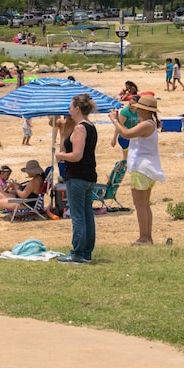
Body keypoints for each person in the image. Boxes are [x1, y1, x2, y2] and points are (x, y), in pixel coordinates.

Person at [109, 96, 166, 246]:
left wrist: (114, 120)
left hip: (141, 168)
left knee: (140, 204)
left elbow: (126, 134)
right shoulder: (150, 123)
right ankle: (147, 237)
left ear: (145, 110)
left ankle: (143, 238)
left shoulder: (146, 124)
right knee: (145, 204)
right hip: (147, 168)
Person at [55, 94, 99, 264]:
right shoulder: (91, 126)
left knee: (78, 215)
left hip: (78, 177)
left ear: (77, 109)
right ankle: (86, 252)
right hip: (89, 176)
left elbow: (77, 155)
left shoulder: (80, 128)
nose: (68, 110)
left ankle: (78, 253)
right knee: (87, 214)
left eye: (70, 107)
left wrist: (61, 155)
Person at [110, 95, 140, 160]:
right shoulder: (125, 112)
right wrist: (114, 138)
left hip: (133, 136)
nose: (130, 106)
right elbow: (119, 125)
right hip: (124, 137)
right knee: (127, 157)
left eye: (133, 105)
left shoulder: (139, 112)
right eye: (129, 104)